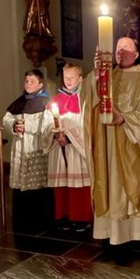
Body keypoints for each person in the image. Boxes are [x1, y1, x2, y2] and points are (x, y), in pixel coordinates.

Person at [82, 37, 140, 246]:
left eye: (126, 48)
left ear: (136, 54)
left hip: (131, 143)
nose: (120, 52)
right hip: (105, 143)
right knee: (106, 182)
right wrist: (97, 74)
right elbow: (87, 100)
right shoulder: (106, 76)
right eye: (117, 48)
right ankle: (108, 230)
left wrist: (124, 118)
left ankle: (132, 233)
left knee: (130, 185)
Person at [41, 63, 92, 232]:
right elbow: (47, 123)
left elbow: (88, 126)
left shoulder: (86, 100)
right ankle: (62, 216)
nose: (68, 81)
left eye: (72, 78)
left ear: (80, 78)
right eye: (65, 78)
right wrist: (56, 134)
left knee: (79, 185)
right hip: (59, 148)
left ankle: (81, 218)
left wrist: (69, 137)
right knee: (62, 183)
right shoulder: (56, 101)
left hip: (77, 150)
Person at [3, 69, 53, 231]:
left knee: (37, 187)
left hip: (36, 146)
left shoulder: (46, 102)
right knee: (21, 186)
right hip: (20, 146)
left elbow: (48, 125)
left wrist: (27, 126)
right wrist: (14, 126)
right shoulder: (19, 101)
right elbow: (7, 118)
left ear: (40, 84)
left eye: (32, 81)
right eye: (26, 81)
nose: (28, 84)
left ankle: (39, 219)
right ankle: (21, 219)